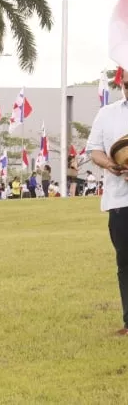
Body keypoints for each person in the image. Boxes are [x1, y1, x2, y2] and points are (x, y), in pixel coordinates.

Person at [87, 85, 128, 335]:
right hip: (120, 202)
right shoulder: (107, 113)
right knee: (125, 262)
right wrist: (112, 165)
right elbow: (95, 150)